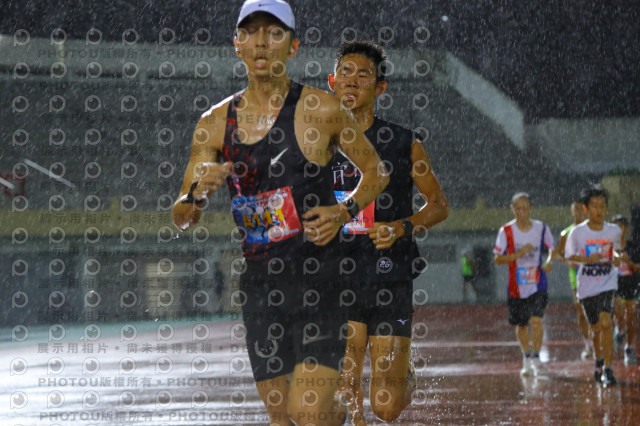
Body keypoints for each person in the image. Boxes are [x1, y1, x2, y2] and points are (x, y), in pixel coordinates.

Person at [171, 1, 390, 424]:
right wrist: (196, 195)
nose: (261, 43)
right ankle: (336, 414)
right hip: (261, 288)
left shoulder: (322, 109)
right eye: (250, 32)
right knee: (281, 416)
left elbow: (377, 173)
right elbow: (181, 217)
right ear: (237, 44)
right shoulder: (214, 124)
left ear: (293, 46)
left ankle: (328, 411)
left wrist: (343, 212)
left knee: (304, 411)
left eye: (274, 33)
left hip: (320, 281)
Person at [328, 40, 449, 424]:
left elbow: (439, 205)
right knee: (343, 391)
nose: (352, 81)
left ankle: (403, 374)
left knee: (386, 406)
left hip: (389, 276)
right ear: (332, 81)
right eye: (345, 73)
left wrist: (401, 227)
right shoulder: (313, 146)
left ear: (380, 88)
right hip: (336, 276)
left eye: (363, 75)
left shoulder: (404, 143)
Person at [565, 186, 622, 386]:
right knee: (596, 328)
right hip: (587, 287)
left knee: (606, 323)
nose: (599, 210)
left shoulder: (613, 230)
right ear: (586, 208)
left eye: (602, 206)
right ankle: (598, 359)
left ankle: (608, 368)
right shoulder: (577, 233)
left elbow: (617, 250)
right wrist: (587, 259)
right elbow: (570, 258)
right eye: (594, 206)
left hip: (607, 283)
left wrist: (616, 257)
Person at [494, 192, 555, 377]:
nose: (522, 212)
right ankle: (526, 356)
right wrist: (519, 254)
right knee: (521, 325)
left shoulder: (541, 228)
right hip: (516, 285)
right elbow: (498, 259)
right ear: (512, 209)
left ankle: (536, 357)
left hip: (538, 283)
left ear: (531, 208)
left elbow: (552, 248)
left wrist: (549, 261)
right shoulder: (506, 231)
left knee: (536, 321)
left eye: (525, 208)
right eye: (518, 208)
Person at [556, 200, 593, 359]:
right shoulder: (566, 233)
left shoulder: (592, 229)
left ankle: (599, 339)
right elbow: (558, 254)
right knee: (582, 312)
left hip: (594, 274)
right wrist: (568, 261)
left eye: (581, 209)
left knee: (596, 310)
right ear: (572, 212)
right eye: (576, 209)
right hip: (576, 276)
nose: (579, 212)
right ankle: (588, 343)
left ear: (586, 210)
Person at [611, 215, 640, 365]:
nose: (618, 230)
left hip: (630, 283)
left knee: (631, 315)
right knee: (619, 311)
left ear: (626, 229)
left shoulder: (633, 246)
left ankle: (629, 347)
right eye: (615, 227)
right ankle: (619, 328)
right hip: (614, 283)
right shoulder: (608, 247)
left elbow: (638, 267)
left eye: (621, 227)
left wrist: (627, 260)